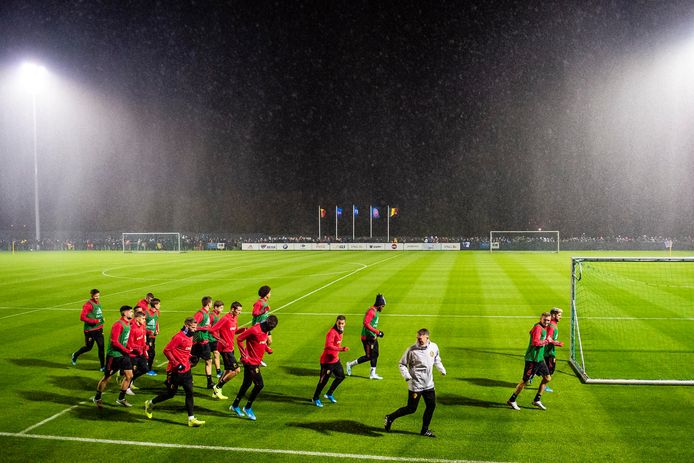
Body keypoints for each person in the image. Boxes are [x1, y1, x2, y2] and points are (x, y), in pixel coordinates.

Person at [384, 328, 446, 437]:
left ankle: (424, 430)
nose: (419, 340)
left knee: (431, 406)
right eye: (418, 338)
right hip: (416, 385)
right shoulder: (411, 350)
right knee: (411, 409)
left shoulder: (434, 347)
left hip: (429, 384)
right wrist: (407, 376)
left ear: (427, 337)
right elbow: (402, 364)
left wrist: (441, 369)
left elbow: (437, 359)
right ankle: (390, 417)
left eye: (421, 338)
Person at [144, 317, 205, 427]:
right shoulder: (179, 337)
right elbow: (167, 350)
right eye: (192, 327)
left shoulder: (190, 336)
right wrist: (176, 363)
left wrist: (190, 356)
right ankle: (150, 403)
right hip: (175, 371)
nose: (194, 330)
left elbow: (183, 351)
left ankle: (191, 419)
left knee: (190, 392)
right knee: (170, 394)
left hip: (186, 370)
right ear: (186, 326)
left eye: (195, 327)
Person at [507, 312, 562, 411]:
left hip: (539, 359)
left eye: (548, 321)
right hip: (532, 359)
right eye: (545, 320)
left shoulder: (543, 327)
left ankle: (537, 400)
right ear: (541, 319)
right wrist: (546, 341)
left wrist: (555, 343)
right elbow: (535, 342)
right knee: (524, 381)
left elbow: (531, 333)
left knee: (547, 378)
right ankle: (512, 400)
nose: (546, 322)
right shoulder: (538, 328)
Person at [230, 315, 278, 421]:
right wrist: (244, 356)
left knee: (246, 384)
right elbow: (239, 339)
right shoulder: (255, 329)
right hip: (251, 362)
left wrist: (267, 348)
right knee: (259, 385)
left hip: (256, 361)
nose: (269, 331)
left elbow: (259, 342)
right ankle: (247, 407)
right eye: (269, 328)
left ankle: (235, 405)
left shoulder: (266, 329)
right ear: (266, 323)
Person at [93, 306, 134, 408]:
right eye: (130, 311)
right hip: (114, 356)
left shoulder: (128, 323)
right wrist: (126, 350)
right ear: (124, 313)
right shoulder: (118, 325)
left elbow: (124, 339)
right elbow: (114, 342)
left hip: (123, 355)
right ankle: (97, 398)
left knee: (129, 376)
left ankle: (121, 399)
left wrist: (128, 348)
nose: (132, 313)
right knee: (107, 377)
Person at [312, 315, 349, 407]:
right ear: (336, 322)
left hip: (335, 360)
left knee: (341, 377)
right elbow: (328, 346)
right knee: (323, 381)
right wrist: (341, 349)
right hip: (327, 362)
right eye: (339, 323)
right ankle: (315, 398)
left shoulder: (341, 331)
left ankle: (329, 394)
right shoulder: (332, 332)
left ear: (345, 323)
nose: (340, 325)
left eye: (342, 323)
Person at [208, 301, 243, 400]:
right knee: (236, 370)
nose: (240, 312)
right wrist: (221, 341)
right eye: (238, 310)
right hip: (225, 349)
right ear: (232, 309)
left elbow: (235, 331)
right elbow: (212, 330)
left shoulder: (235, 318)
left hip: (231, 347)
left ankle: (216, 393)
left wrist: (244, 330)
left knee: (228, 370)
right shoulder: (225, 318)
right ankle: (218, 387)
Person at [346, 294, 386, 380]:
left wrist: (376, 333)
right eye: (382, 306)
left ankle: (372, 373)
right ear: (379, 305)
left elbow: (371, 324)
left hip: (372, 336)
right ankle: (350, 364)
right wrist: (377, 332)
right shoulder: (371, 311)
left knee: (374, 354)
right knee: (370, 356)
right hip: (367, 337)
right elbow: (366, 323)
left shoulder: (375, 311)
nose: (383, 308)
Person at [71, 289, 106, 371]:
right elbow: (82, 317)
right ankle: (75, 355)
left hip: (99, 329)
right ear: (92, 295)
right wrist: (94, 321)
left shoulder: (98, 303)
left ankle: (102, 366)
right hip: (90, 330)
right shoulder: (88, 305)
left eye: (98, 295)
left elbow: (98, 315)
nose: (97, 297)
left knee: (101, 347)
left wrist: (101, 324)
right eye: (96, 296)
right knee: (88, 347)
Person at [190, 296, 215, 389]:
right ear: (208, 304)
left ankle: (209, 382)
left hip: (204, 341)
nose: (211, 304)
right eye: (211, 303)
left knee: (207, 360)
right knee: (194, 361)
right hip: (199, 342)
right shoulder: (200, 314)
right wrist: (204, 328)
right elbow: (192, 326)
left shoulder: (206, 313)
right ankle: (178, 375)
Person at [125, 310, 148, 395]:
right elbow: (130, 344)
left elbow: (142, 339)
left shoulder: (142, 327)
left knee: (145, 369)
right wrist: (140, 348)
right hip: (132, 354)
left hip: (140, 353)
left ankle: (130, 381)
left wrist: (144, 349)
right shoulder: (132, 329)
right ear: (137, 319)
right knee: (132, 371)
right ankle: (127, 388)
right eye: (143, 319)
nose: (144, 320)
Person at [542, 307, 564, 393]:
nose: (560, 317)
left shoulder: (553, 324)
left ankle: (532, 376)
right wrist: (558, 343)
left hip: (548, 351)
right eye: (559, 315)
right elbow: (548, 339)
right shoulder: (552, 326)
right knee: (549, 370)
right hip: (549, 352)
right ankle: (544, 386)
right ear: (553, 315)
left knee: (547, 369)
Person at [252, 285, 272, 366]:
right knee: (260, 342)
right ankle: (258, 358)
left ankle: (251, 354)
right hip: (259, 326)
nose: (270, 294)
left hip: (266, 325)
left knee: (269, 341)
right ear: (266, 293)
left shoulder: (264, 302)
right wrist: (264, 310)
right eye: (270, 293)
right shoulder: (258, 303)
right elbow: (254, 313)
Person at [145, 297, 161, 375]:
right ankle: (148, 369)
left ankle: (147, 368)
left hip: (153, 336)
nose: (160, 305)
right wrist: (149, 331)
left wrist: (157, 329)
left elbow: (156, 321)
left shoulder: (157, 312)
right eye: (159, 304)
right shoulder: (146, 313)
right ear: (155, 305)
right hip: (147, 336)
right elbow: (141, 325)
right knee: (150, 353)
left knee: (151, 352)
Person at [210, 300, 224, 378]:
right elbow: (209, 327)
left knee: (216, 354)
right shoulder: (211, 316)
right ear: (216, 307)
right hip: (209, 339)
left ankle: (218, 372)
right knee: (208, 359)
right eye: (221, 308)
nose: (222, 310)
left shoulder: (217, 315)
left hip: (214, 339)